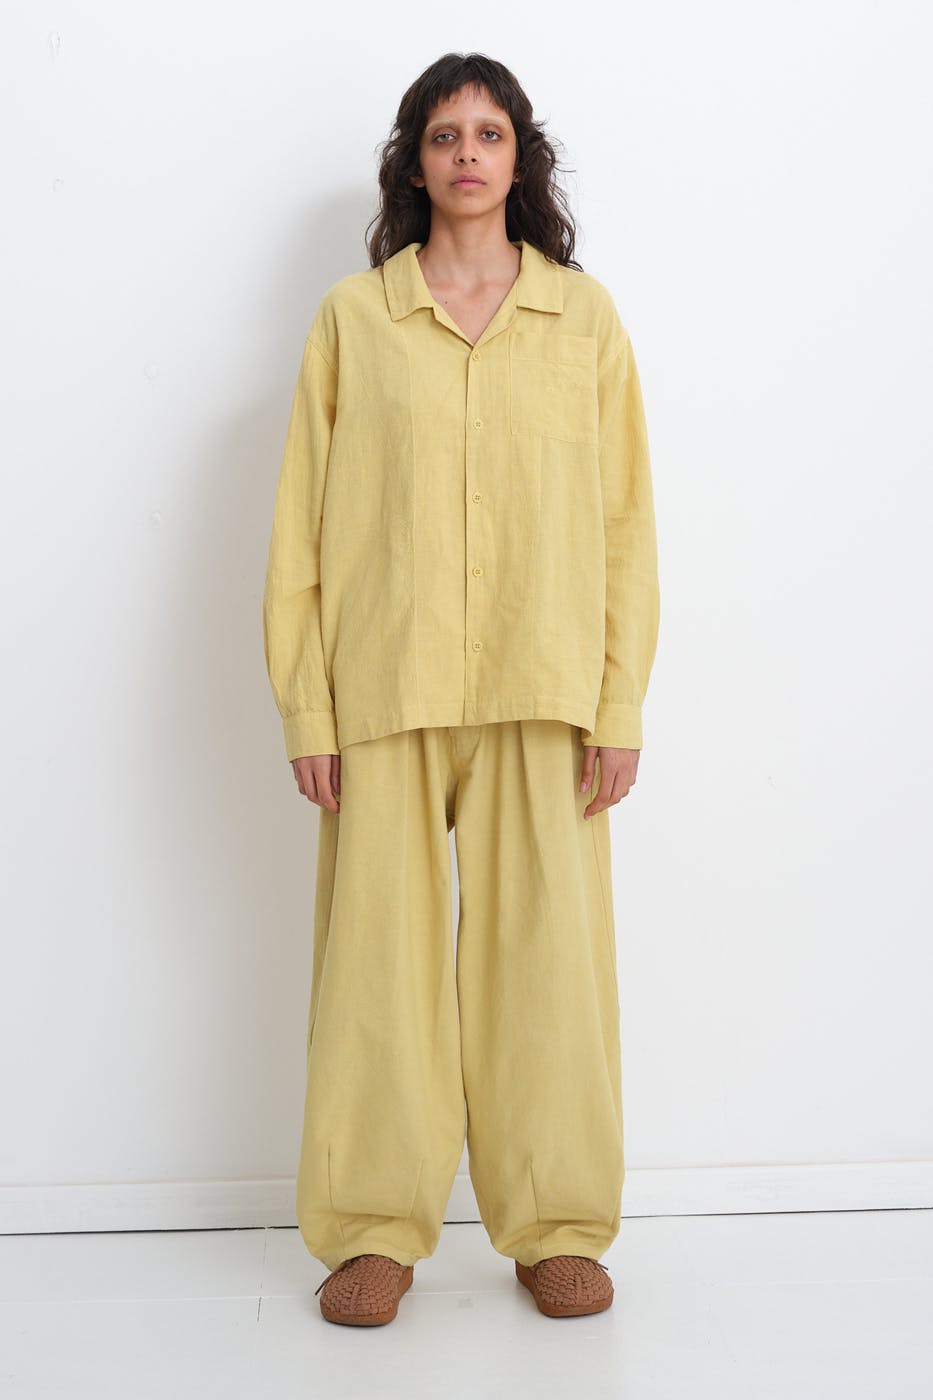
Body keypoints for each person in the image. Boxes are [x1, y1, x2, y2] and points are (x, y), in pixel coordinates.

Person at [262, 51, 660, 1327]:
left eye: (490, 133)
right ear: (416, 161)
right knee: (376, 971)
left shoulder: (581, 320)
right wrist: (308, 705)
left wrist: (619, 701)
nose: (469, 154)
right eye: (446, 134)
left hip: (546, 681)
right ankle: (374, 1227)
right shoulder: (353, 321)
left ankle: (556, 1224)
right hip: (386, 680)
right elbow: (301, 525)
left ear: (520, 157)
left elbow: (625, 524)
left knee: (549, 966)